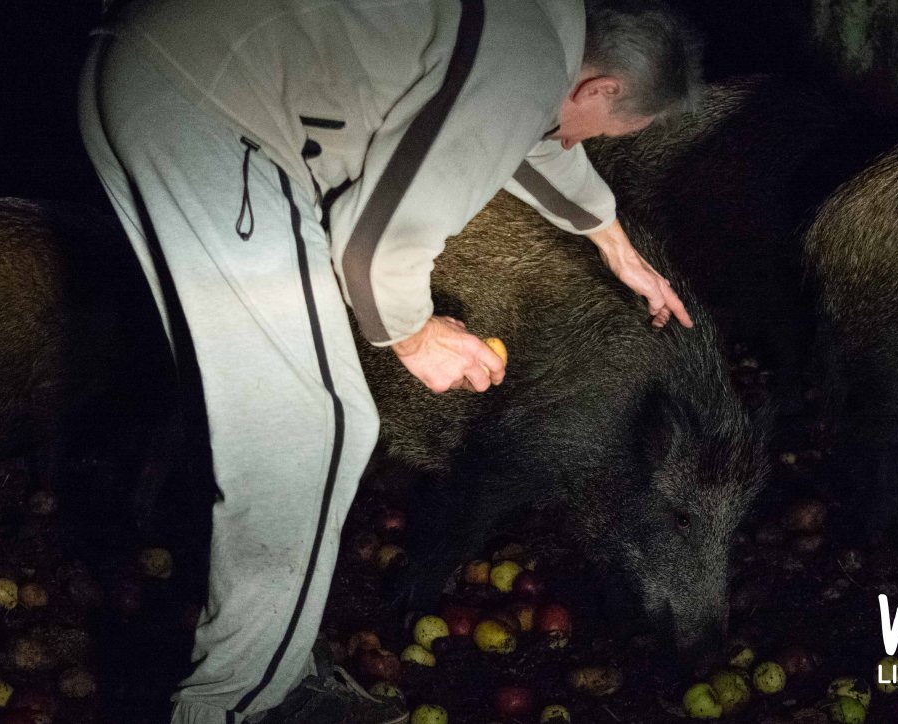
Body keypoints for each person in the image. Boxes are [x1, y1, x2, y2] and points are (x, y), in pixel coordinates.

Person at [78, 0, 702, 721]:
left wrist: (615, 245)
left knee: (266, 413)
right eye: (618, 127)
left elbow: (526, 141)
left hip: (160, 78)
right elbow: (373, 245)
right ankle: (235, 705)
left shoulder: (537, 27)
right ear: (600, 90)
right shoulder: (528, 62)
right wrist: (413, 333)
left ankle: (263, 664)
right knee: (321, 427)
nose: (584, 137)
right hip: (215, 120)